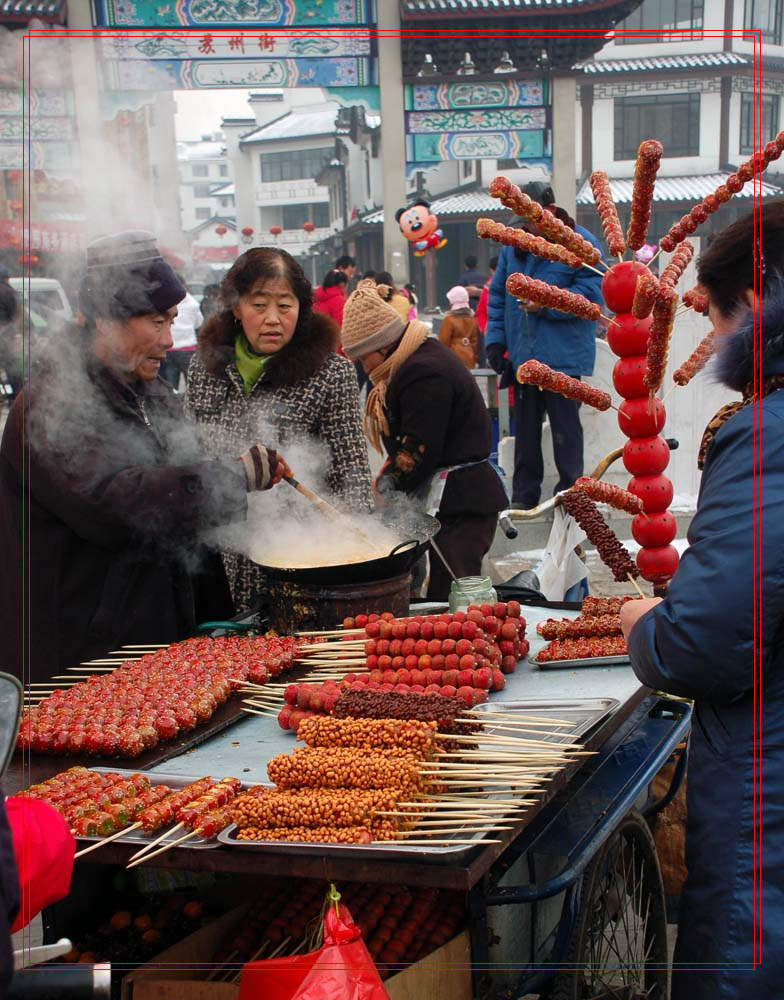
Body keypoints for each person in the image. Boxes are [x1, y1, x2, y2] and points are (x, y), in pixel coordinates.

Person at [620, 201, 784, 1000]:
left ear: (754, 305)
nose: (714, 343)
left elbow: (708, 646)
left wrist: (646, 626)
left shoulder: (769, 432)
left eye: (716, 321)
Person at [0, 232, 290, 682]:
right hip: (83, 651)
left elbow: (184, 489)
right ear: (104, 321)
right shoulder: (51, 405)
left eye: (172, 320)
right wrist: (229, 478)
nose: (169, 340)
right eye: (156, 322)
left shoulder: (152, 393)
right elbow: (115, 502)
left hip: (154, 635)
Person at [185, 247, 373, 613]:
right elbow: (190, 461)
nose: (273, 319)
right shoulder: (203, 368)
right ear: (237, 308)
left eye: (285, 306)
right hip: (220, 556)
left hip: (299, 559)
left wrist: (359, 555)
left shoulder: (331, 374)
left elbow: (352, 473)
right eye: (259, 305)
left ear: (302, 310)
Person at [341, 280, 507, 601]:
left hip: (463, 501)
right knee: (437, 593)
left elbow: (416, 452)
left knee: (453, 598)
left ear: (384, 345)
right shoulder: (414, 359)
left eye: (364, 357)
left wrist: (383, 492)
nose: (365, 367)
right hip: (449, 501)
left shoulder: (424, 372)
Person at [485, 183, 603, 508]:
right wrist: (496, 342)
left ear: (548, 211)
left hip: (563, 357)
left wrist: (546, 304)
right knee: (525, 433)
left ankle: (570, 495)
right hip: (524, 356)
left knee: (566, 430)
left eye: (529, 218)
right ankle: (524, 497)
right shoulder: (513, 248)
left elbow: (593, 298)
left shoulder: (582, 245)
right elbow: (498, 296)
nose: (524, 227)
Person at [160, 277, 203, 389]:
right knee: (192, 386)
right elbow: (199, 323)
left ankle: (171, 405)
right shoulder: (193, 303)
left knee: (171, 386)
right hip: (188, 350)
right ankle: (189, 406)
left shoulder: (165, 302)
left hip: (170, 349)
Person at [439, 285, 479, 368]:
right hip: (469, 357)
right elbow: (474, 342)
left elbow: (443, 342)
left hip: (452, 359)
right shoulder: (472, 319)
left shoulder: (449, 319)